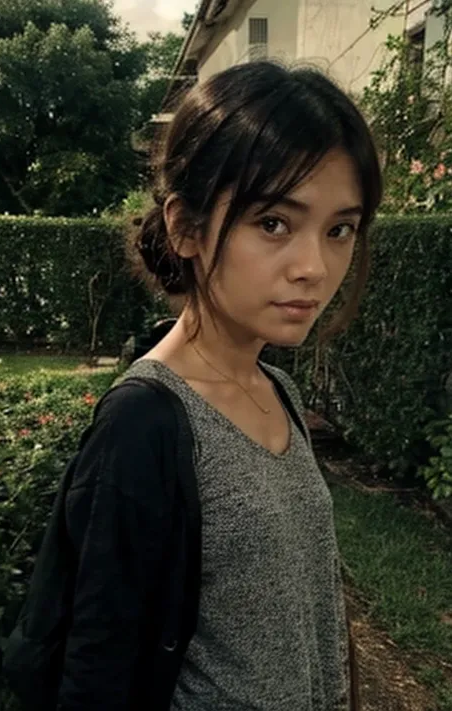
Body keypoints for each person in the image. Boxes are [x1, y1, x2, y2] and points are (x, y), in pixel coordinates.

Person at [59, 60, 382, 710]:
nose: (315, 267)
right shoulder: (143, 425)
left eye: (339, 229)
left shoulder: (279, 391)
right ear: (186, 227)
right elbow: (97, 672)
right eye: (274, 223)